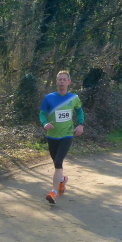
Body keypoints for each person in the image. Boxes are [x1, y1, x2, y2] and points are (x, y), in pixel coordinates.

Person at [39, 70, 84, 204]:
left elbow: (79, 111)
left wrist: (81, 124)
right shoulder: (49, 98)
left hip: (67, 135)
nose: (62, 82)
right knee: (56, 164)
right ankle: (62, 180)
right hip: (52, 136)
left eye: (64, 79)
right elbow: (42, 113)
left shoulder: (74, 98)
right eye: (60, 79)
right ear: (56, 82)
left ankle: (53, 192)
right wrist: (44, 123)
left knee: (58, 162)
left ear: (69, 82)